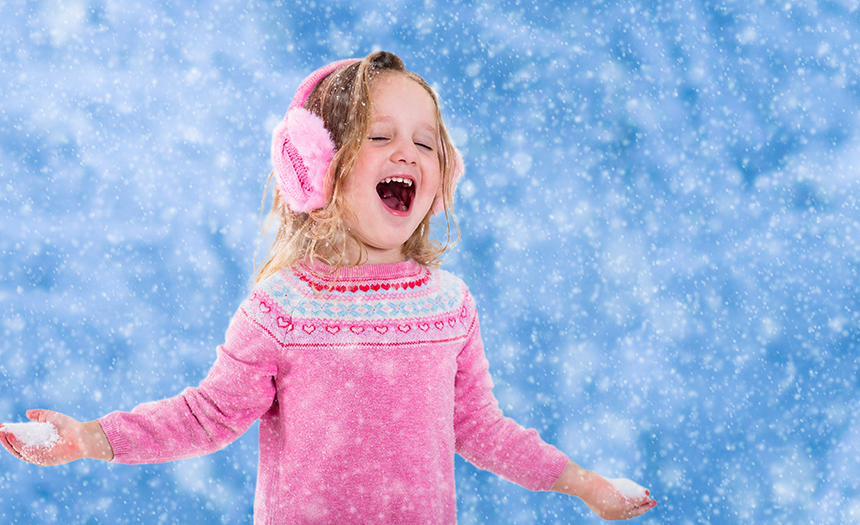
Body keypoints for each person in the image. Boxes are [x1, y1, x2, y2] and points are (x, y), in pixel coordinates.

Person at [0, 51, 657, 523]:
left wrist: (583, 484)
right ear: (314, 170)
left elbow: (481, 428)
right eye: (380, 136)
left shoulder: (449, 306)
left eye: (427, 143)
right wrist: (90, 437)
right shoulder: (281, 311)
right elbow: (206, 415)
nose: (409, 152)